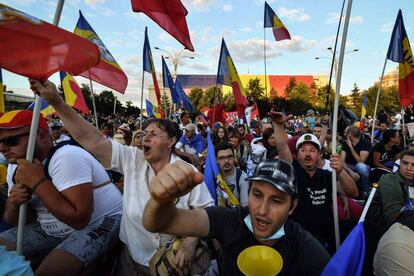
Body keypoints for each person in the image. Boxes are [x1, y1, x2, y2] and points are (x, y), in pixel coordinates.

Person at [29, 79, 213, 275]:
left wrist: (188, 244)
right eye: (144, 134)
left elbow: (207, 211)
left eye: (154, 134)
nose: (145, 138)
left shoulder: (187, 171)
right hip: (132, 260)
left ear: (171, 141)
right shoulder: (133, 159)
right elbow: (95, 141)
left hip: (173, 266)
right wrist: (58, 103)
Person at [142, 159, 331, 275]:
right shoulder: (230, 220)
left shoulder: (306, 249)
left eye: (276, 200)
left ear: (292, 207)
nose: (262, 210)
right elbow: (158, 223)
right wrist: (160, 199)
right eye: (257, 195)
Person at [0, 110, 123, 275]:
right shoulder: (15, 166)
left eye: (10, 140)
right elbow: (20, 220)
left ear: (42, 135)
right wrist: (14, 204)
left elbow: (79, 219)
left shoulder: (67, 156)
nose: (2, 148)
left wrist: (38, 182)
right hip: (50, 230)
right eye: (0, 141)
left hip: (101, 222)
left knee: (47, 273)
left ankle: (107, 262)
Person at [270, 111, 358, 251]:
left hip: (327, 233)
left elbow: (352, 192)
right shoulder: (292, 171)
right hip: (299, 236)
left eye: (312, 150)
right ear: (297, 155)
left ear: (319, 154)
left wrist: (341, 171)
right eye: (303, 150)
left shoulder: (327, 176)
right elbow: (282, 147)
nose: (308, 154)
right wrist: (279, 125)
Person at [376, 150, 414, 227]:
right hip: (391, 229)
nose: (408, 168)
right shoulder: (389, 180)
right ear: (400, 164)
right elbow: (393, 217)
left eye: (413, 165)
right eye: (405, 163)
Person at [341, 125, 371, 194]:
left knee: (360, 166)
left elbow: (360, 161)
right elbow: (342, 160)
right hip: (349, 166)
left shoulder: (365, 143)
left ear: (350, 134)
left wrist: (351, 148)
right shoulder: (345, 143)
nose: (344, 134)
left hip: (364, 167)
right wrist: (350, 171)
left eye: (346, 133)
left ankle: (365, 191)